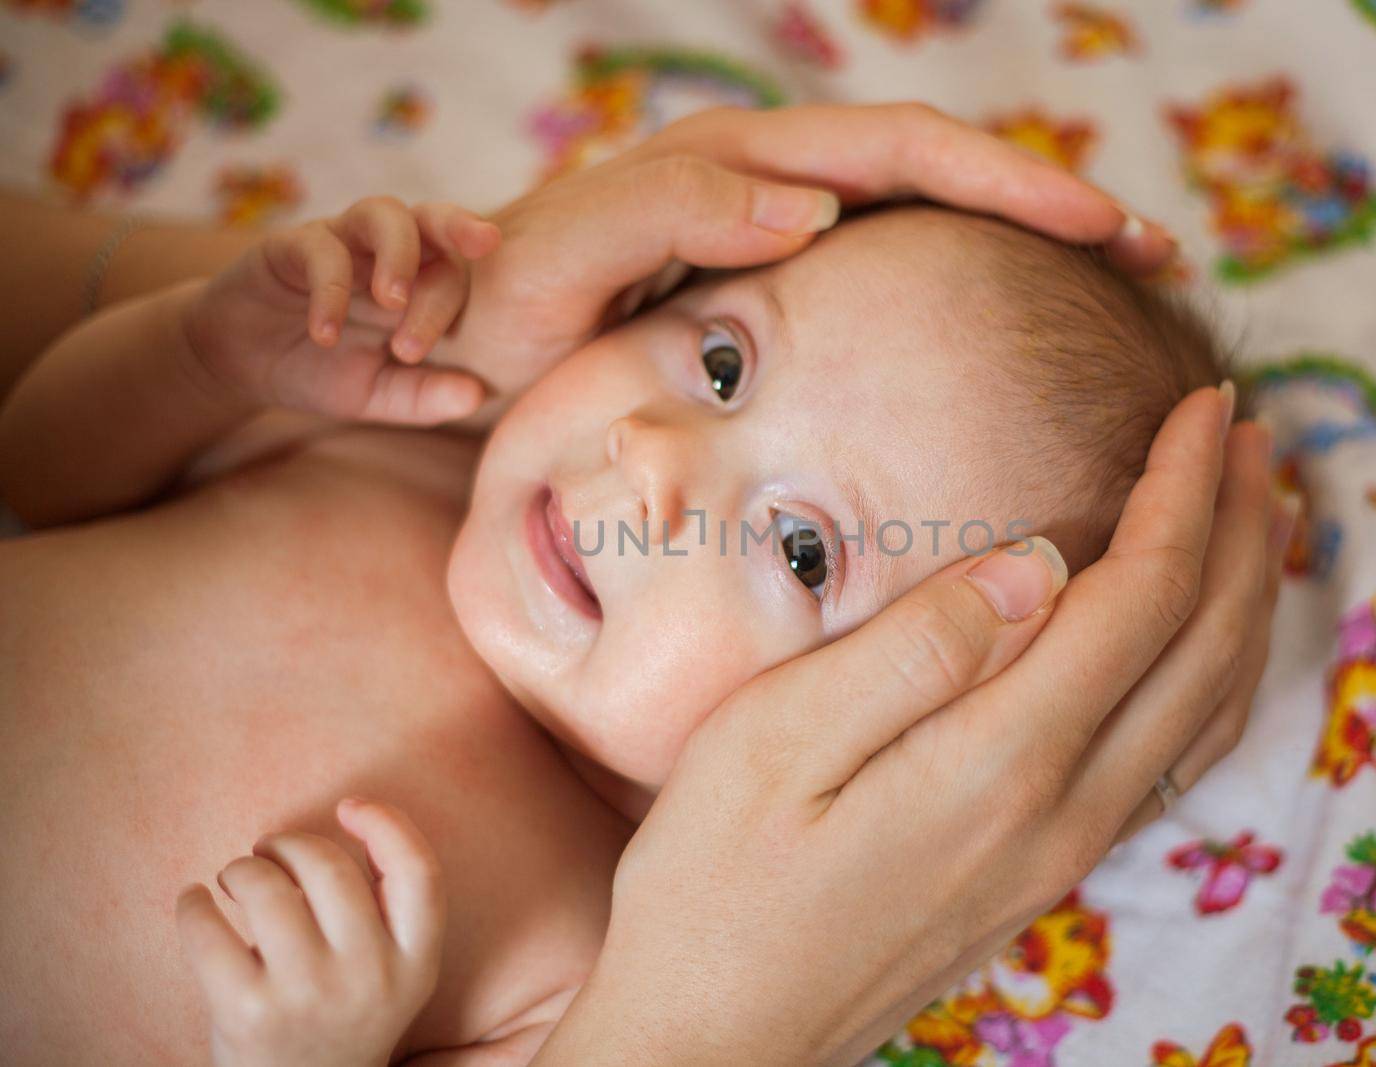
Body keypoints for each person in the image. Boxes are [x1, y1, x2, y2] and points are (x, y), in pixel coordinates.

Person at [0, 105, 1287, 1065]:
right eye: (723, 363)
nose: (659, 459)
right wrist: (205, 356)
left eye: (801, 550)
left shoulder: (600, 951)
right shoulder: (399, 445)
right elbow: (42, 472)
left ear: (897, 736)